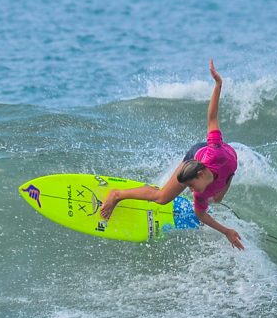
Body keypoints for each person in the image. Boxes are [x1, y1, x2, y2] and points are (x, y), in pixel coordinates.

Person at [100, 60, 243, 250]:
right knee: (162, 198)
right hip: (197, 154)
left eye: (191, 185)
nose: (192, 191)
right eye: (189, 186)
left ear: (200, 175)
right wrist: (218, 85)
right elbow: (211, 118)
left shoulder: (216, 153)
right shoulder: (202, 180)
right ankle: (118, 195)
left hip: (220, 160)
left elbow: (213, 119)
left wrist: (227, 231)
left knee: (217, 199)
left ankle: (215, 185)